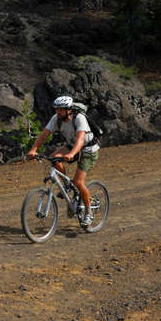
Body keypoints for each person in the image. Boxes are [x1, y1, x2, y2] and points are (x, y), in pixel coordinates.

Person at [26, 95, 99, 227]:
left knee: (78, 182)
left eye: (61, 109)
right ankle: (66, 183)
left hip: (88, 149)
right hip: (73, 146)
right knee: (54, 157)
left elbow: (81, 139)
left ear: (69, 110)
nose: (58, 112)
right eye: (57, 109)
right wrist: (34, 149)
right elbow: (44, 134)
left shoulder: (79, 118)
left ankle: (89, 213)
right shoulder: (56, 119)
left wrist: (72, 153)